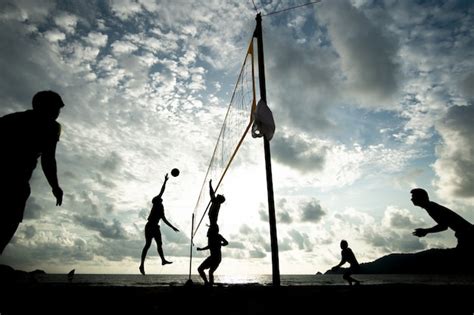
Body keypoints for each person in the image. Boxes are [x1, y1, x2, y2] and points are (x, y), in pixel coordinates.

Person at [0, 91, 64, 254]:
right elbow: (48, 159)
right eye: (57, 108)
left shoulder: (10, 119)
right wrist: (55, 187)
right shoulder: (51, 127)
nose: (58, 113)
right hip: (15, 181)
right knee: (10, 218)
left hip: (16, 180)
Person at [139, 173, 179, 275]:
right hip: (150, 226)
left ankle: (163, 260)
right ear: (157, 200)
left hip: (156, 227)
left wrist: (173, 227)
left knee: (159, 245)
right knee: (148, 245)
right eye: (159, 197)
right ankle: (142, 265)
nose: (161, 198)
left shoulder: (161, 208)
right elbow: (162, 191)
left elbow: (164, 220)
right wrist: (165, 181)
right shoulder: (156, 203)